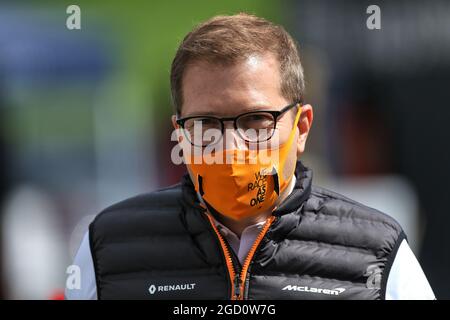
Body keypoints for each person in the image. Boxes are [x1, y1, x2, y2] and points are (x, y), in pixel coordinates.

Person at [66, 13, 434, 300]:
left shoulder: (376, 252)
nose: (231, 145)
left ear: (302, 127)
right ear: (180, 133)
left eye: (257, 119)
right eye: (206, 122)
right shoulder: (109, 248)